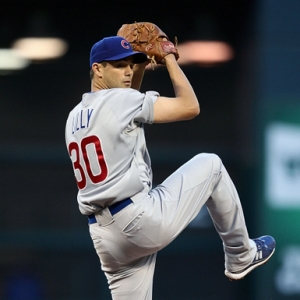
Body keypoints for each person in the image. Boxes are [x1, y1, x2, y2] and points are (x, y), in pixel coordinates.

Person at [65, 35, 275, 299]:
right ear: (97, 68)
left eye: (132, 64)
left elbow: (129, 103)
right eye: (119, 66)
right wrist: (169, 58)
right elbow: (190, 106)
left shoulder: (74, 117)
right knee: (211, 164)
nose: (129, 70)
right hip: (138, 220)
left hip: (104, 238)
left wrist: (138, 63)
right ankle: (241, 255)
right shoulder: (119, 102)